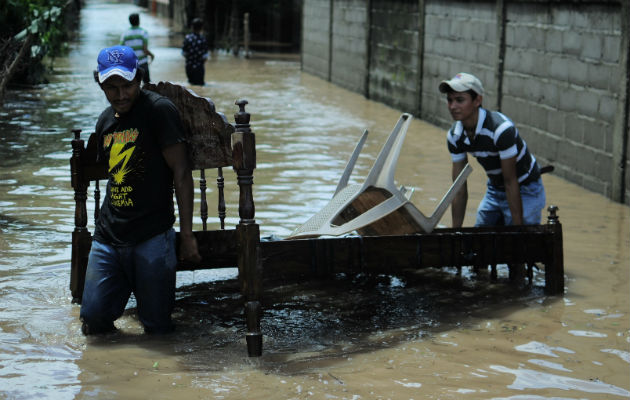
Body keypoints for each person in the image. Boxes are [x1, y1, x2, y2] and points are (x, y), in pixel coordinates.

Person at [80, 45, 201, 335]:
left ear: (139, 79)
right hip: (109, 236)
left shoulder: (159, 111)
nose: (121, 95)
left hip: (152, 236)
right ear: (100, 83)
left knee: (157, 327)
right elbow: (112, 175)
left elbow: (182, 174)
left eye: (127, 86)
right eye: (112, 87)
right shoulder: (106, 121)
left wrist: (186, 236)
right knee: (93, 322)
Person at [439, 72, 546, 229]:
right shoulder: (455, 136)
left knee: (518, 243)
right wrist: (456, 233)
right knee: (480, 241)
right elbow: (459, 188)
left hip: (525, 188)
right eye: (449, 100)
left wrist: (519, 232)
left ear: (478, 100)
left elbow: (511, 181)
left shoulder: (501, 130)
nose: (452, 106)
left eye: (460, 100)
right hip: (495, 189)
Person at [120, 13, 154, 84]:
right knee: (147, 84)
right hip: (143, 63)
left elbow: (122, 50)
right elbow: (145, 50)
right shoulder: (143, 32)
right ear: (139, 21)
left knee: (134, 84)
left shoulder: (125, 34)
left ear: (130, 22)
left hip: (131, 63)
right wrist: (152, 55)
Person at [181, 18, 209, 85]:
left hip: (189, 67)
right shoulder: (203, 39)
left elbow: (183, 53)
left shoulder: (187, 38)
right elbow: (205, 57)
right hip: (199, 68)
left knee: (191, 85)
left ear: (192, 27)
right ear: (201, 28)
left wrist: (190, 59)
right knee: (200, 86)